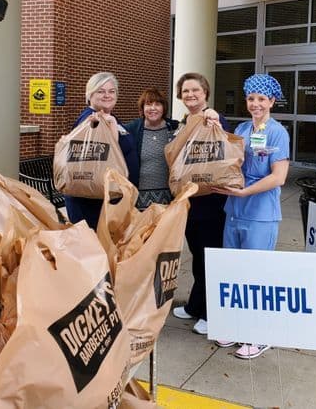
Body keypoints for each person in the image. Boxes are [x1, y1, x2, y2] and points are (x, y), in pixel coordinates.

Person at [212, 73, 290, 359]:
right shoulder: (243, 129)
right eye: (251, 98)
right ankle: (235, 328)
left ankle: (259, 335)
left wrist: (246, 192)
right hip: (234, 211)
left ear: (271, 101)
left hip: (260, 213)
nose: (255, 103)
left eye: (261, 99)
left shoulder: (278, 132)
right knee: (234, 272)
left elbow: (279, 177)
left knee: (256, 275)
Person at [170, 72, 229, 336]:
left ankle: (211, 313)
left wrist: (215, 117)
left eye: (195, 90)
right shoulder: (184, 122)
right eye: (185, 91)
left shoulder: (213, 118)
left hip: (211, 201)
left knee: (210, 258)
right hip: (189, 202)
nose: (190, 95)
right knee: (197, 256)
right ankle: (196, 304)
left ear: (205, 93)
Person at [63, 72, 138, 230]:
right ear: (90, 94)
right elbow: (107, 155)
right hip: (92, 203)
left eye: (112, 91)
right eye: (101, 91)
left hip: (106, 199)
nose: (107, 95)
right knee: (96, 250)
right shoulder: (91, 120)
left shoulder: (109, 117)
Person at [124, 88, 179, 210]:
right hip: (138, 200)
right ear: (142, 108)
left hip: (169, 199)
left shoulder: (175, 128)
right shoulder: (132, 129)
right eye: (148, 104)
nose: (153, 108)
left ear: (163, 108)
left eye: (157, 104)